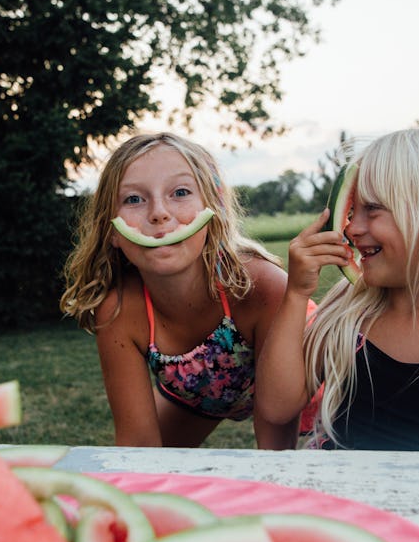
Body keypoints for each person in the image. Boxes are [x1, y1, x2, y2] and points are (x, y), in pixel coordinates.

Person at [60, 132, 299, 449]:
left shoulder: (261, 286)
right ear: (111, 230)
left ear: (213, 212)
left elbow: (276, 441)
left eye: (180, 192)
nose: (158, 212)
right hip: (201, 397)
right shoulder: (120, 309)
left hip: (304, 392)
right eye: (134, 199)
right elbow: (137, 445)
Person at [256, 127, 419, 451]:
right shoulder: (350, 306)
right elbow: (276, 408)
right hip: (340, 494)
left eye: (373, 210)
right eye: (352, 212)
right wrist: (297, 294)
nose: (351, 228)